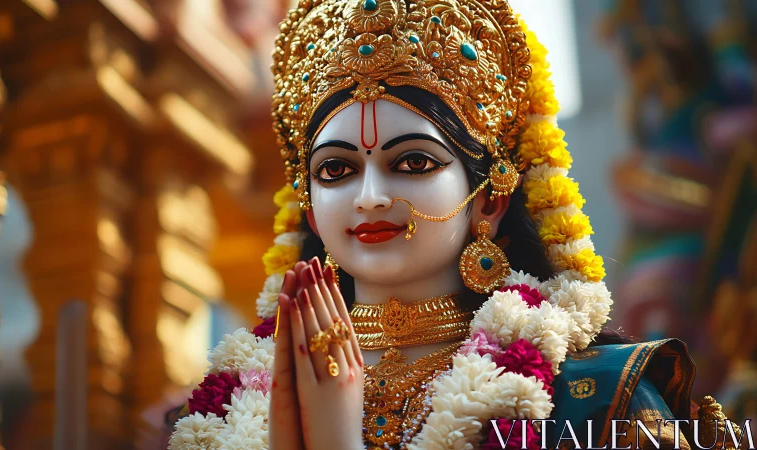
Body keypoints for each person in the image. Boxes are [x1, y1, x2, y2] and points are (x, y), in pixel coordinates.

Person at [167, 1, 739, 449]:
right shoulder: (221, 418)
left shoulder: (598, 399)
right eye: (336, 169)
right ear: (311, 210)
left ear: (487, 200)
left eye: (412, 162)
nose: (369, 197)